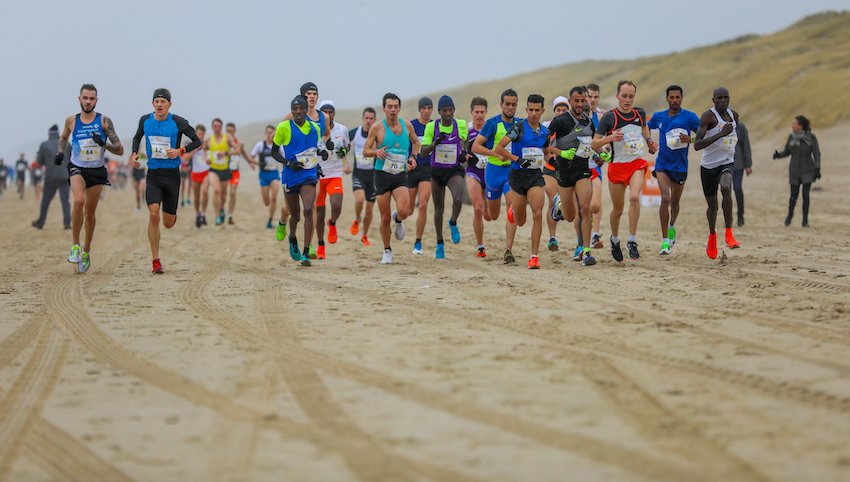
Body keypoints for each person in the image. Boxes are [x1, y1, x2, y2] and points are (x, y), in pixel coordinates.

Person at [130, 88, 201, 273]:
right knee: (154, 215)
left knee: (167, 223)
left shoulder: (178, 122)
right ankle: (155, 261)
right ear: (153, 103)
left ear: (170, 104)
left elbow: (196, 141)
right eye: (156, 101)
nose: (159, 104)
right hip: (153, 175)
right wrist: (134, 155)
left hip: (172, 176)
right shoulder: (145, 120)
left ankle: (172, 216)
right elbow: (137, 137)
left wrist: (180, 151)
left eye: (163, 102)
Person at [57, 84, 124, 273]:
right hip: (77, 167)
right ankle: (75, 246)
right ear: (79, 99)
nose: (88, 102)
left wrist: (103, 143)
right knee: (78, 201)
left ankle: (86, 251)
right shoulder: (71, 121)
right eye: (85, 98)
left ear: (96, 100)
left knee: (90, 213)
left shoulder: (104, 121)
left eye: (91, 98)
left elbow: (120, 150)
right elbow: (63, 138)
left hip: (96, 171)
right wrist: (60, 153)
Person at [592, 80, 657, 262]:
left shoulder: (639, 113)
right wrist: (611, 137)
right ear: (617, 96)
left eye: (631, 96)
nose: (627, 100)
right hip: (617, 166)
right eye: (624, 96)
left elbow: (644, 126)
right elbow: (594, 142)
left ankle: (632, 240)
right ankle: (614, 239)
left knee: (635, 198)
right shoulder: (609, 118)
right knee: (618, 210)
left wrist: (649, 141)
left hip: (636, 163)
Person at [362, 92, 420, 264]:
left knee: (405, 210)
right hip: (381, 176)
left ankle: (399, 219)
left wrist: (413, 157)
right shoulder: (377, 128)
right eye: (389, 107)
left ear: (399, 108)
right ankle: (387, 250)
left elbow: (416, 143)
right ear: (384, 109)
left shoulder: (407, 126)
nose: (393, 110)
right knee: (384, 217)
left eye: (396, 106)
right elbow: (365, 151)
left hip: (400, 174)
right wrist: (376, 152)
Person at [549, 86, 603, 266]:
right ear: (570, 101)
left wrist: (599, 155)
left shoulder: (589, 121)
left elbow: (590, 144)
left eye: (583, 100)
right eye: (576, 101)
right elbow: (543, 144)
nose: (580, 104)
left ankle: (586, 251)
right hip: (564, 172)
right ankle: (559, 203)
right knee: (570, 216)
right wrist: (560, 153)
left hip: (582, 170)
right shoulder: (560, 121)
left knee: (585, 208)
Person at [494, 94, 549, 269]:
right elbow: (499, 148)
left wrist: (549, 159)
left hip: (534, 177)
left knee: (538, 213)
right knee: (520, 220)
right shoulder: (518, 127)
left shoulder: (545, 132)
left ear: (542, 111)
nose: (533, 113)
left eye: (537, 110)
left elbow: (545, 151)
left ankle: (534, 257)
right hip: (517, 177)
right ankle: (513, 211)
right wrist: (516, 159)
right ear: (526, 110)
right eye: (530, 109)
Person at [270, 95, 324, 266]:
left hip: (308, 174)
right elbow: (274, 152)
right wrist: (288, 163)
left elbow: (315, 150)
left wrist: (318, 163)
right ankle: (292, 237)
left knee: (309, 209)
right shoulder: (283, 127)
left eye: (301, 108)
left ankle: (306, 252)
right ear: (292, 111)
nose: (299, 111)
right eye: (295, 109)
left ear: (306, 110)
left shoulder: (315, 128)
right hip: (290, 176)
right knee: (296, 215)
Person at [647, 85, 701, 255]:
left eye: (678, 97)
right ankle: (664, 242)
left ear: (681, 98)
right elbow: (646, 126)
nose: (675, 100)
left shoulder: (690, 117)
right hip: (662, 164)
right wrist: (649, 142)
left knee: (674, 203)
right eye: (672, 97)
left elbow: (703, 133)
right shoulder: (659, 116)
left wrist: (691, 139)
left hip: (680, 167)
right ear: (667, 98)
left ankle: (672, 226)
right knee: (665, 198)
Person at [472, 88, 520, 264]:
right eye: (507, 104)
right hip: (493, 172)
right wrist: (494, 153)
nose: (510, 107)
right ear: (501, 105)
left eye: (513, 104)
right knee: (492, 215)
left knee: (512, 206)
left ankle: (508, 250)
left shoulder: (520, 124)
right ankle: (486, 201)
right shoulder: (492, 124)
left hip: (511, 173)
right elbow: (475, 147)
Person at [693, 87, 742, 259]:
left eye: (725, 98)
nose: (723, 101)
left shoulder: (734, 116)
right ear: (713, 100)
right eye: (719, 98)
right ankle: (712, 236)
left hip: (726, 163)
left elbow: (736, 138)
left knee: (727, 188)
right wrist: (721, 134)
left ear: (729, 99)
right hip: (708, 167)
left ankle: (729, 234)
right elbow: (697, 145)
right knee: (712, 206)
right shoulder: (708, 117)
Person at [419, 95, 469, 259]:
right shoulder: (431, 127)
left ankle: (453, 222)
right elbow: (423, 152)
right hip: (437, 172)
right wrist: (435, 142)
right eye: (444, 110)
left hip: (454, 170)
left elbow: (464, 143)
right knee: (438, 210)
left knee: (457, 198)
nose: (448, 113)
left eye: (450, 110)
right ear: (439, 112)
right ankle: (440, 243)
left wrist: (463, 154)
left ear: (454, 110)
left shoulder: (460, 124)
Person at [315, 100, 350, 259]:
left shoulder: (342, 129)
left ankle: (333, 223)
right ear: (321, 114)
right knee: (319, 214)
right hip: (317, 176)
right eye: (325, 111)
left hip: (335, 174)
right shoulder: (315, 129)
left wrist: (344, 155)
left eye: (331, 111)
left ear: (334, 113)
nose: (328, 114)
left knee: (336, 205)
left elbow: (346, 147)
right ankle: (321, 245)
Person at [773, 115, 820, 228]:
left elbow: (817, 153)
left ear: (801, 126)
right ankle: (790, 215)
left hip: (808, 170)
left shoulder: (811, 137)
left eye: (794, 123)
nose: (792, 125)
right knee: (793, 196)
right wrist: (778, 155)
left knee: (805, 195)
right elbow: (787, 151)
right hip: (794, 170)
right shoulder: (791, 137)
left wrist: (817, 168)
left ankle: (805, 220)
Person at [251, 124, 290, 237]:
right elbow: (251, 158)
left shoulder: (278, 146)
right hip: (263, 175)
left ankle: (270, 219)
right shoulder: (260, 145)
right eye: (268, 132)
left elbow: (284, 159)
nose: (270, 135)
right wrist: (257, 164)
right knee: (267, 201)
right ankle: (269, 213)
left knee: (273, 198)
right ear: (265, 133)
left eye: (272, 133)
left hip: (274, 174)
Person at [31, 124, 71, 230]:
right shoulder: (67, 144)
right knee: (65, 200)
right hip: (65, 176)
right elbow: (72, 159)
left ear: (49, 134)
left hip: (51, 176)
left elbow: (40, 162)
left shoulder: (44, 145)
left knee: (46, 201)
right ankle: (67, 223)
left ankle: (40, 223)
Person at [465, 97, 491, 258]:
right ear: (472, 112)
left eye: (482, 112)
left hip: (489, 173)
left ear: (486, 112)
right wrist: (465, 155)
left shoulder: (491, 128)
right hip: (473, 172)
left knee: (488, 215)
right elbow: (460, 150)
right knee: (477, 208)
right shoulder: (467, 130)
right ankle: (480, 245)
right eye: (477, 112)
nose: (479, 115)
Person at [349, 107, 377, 246]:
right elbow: (341, 142)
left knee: (370, 209)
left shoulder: (378, 135)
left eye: (371, 118)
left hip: (373, 176)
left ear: (374, 120)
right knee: (360, 200)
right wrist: (344, 163)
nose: (368, 121)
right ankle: (357, 218)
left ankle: (365, 235)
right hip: (358, 173)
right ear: (363, 119)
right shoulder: (356, 132)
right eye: (366, 118)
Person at [408, 97, 434, 255]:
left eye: (429, 108)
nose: (426, 111)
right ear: (419, 109)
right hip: (413, 169)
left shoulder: (435, 126)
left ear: (432, 109)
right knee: (409, 210)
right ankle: (398, 217)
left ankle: (418, 241)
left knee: (423, 205)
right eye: (423, 108)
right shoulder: (412, 125)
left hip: (428, 170)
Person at [543, 96, 568, 252]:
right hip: (549, 169)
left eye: (564, 110)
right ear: (554, 111)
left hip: (566, 171)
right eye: (558, 110)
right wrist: (547, 156)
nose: (561, 112)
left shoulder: (574, 125)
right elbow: (540, 144)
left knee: (566, 204)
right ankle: (552, 238)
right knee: (553, 199)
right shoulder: (547, 126)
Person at [203, 118, 237, 225]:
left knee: (223, 195)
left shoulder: (227, 138)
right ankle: (217, 216)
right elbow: (204, 149)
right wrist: (206, 159)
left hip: (224, 170)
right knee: (216, 190)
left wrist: (226, 153)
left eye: (219, 126)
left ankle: (221, 209)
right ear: (212, 127)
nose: (217, 128)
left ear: (221, 127)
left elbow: (237, 150)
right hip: (213, 169)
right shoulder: (208, 139)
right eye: (215, 126)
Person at [586, 82, 607, 248]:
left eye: (595, 97)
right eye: (589, 96)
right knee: (582, 203)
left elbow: (608, 141)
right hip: (577, 164)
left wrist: (605, 156)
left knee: (596, 202)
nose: (592, 100)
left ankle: (595, 234)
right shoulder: (576, 115)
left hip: (594, 164)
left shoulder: (602, 116)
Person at [223, 122, 256, 224]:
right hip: (223, 170)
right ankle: (221, 211)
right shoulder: (222, 142)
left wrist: (250, 163)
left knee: (232, 193)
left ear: (234, 131)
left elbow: (244, 154)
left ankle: (230, 215)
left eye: (231, 131)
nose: (229, 133)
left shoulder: (239, 143)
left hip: (235, 171)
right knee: (223, 194)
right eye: (227, 131)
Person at [184, 124, 210, 227]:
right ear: (195, 134)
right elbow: (185, 159)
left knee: (204, 192)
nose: (201, 136)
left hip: (206, 172)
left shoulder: (207, 144)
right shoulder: (191, 144)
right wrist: (194, 150)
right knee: (196, 197)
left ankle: (203, 214)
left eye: (203, 134)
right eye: (199, 134)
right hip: (195, 173)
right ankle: (197, 214)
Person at [732, 121, 753, 226]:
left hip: (738, 165)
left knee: (737, 188)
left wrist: (748, 165)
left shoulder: (740, 127)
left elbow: (746, 146)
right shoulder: (719, 125)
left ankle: (740, 215)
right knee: (725, 190)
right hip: (723, 164)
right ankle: (729, 217)